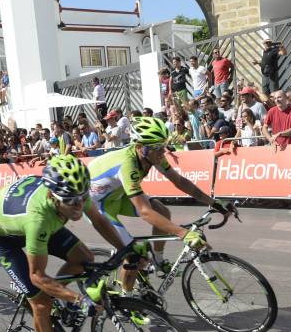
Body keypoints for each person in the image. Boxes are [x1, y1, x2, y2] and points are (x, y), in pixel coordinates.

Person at [0, 155, 126, 332]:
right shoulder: (38, 219)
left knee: (85, 258)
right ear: (53, 196)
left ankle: (55, 295)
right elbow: (36, 275)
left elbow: (98, 220)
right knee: (40, 302)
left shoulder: (72, 191)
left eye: (83, 197)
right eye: (72, 201)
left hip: (34, 215)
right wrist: (77, 299)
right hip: (1, 236)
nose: (80, 206)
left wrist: (125, 250)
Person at [87, 116, 230, 292]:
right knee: (133, 256)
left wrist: (214, 203)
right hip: (95, 205)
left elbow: (180, 182)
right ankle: (127, 301)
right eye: (157, 148)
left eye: (163, 145)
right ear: (140, 147)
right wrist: (182, 233)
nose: (162, 151)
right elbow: (144, 212)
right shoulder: (128, 164)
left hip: (115, 195)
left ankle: (158, 260)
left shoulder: (152, 155)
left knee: (162, 211)